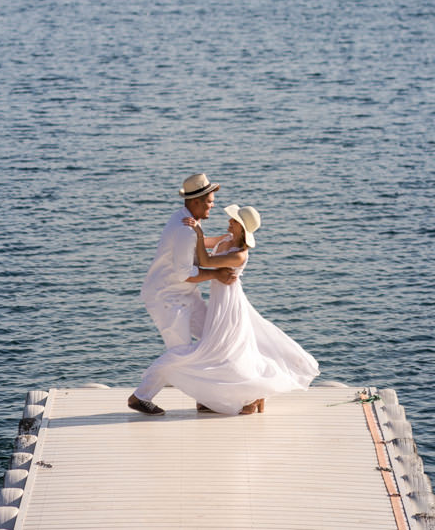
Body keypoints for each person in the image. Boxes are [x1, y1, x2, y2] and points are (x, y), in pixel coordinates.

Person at [129, 203, 320, 416]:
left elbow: (205, 260)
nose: (229, 221)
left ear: (242, 228)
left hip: (229, 303)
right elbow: (200, 244)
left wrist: (198, 233)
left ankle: (254, 393)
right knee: (220, 350)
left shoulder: (240, 255)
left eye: (234, 220)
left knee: (226, 350)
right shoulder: (226, 239)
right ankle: (226, 397)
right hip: (217, 301)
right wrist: (190, 234)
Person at [127, 174, 238, 416]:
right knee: (180, 353)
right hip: (166, 299)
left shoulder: (186, 219)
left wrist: (222, 240)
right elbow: (184, 273)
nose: (213, 205)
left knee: (214, 336)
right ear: (196, 201)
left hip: (186, 294)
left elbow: (197, 243)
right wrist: (217, 274)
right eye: (209, 201)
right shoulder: (185, 229)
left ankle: (204, 398)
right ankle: (140, 396)